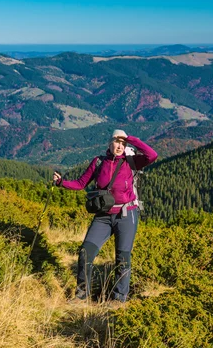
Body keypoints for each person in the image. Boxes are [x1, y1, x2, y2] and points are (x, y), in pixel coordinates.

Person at [53, 130, 157, 303]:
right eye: (117, 142)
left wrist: (131, 139)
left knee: (122, 258)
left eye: (123, 144)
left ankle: (118, 299)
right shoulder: (99, 162)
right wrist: (61, 183)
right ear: (110, 143)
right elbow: (80, 184)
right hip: (103, 216)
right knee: (86, 253)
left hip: (126, 214)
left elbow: (152, 155)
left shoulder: (131, 162)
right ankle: (81, 295)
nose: (120, 146)